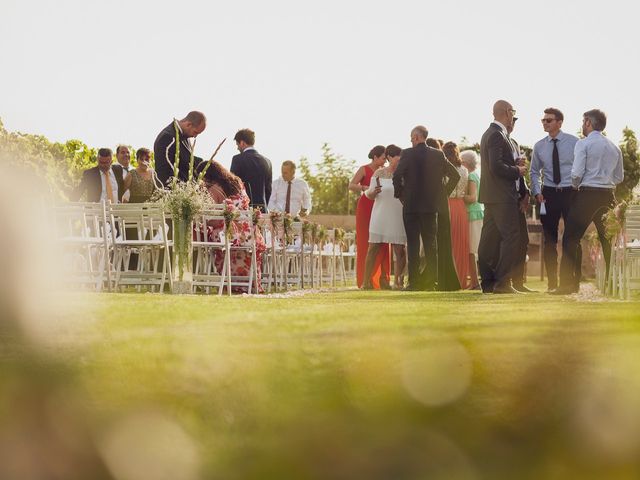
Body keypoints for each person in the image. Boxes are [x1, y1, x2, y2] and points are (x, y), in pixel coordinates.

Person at [554, 109, 624, 295]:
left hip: (586, 195)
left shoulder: (583, 144)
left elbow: (576, 174)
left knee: (570, 239)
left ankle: (568, 285)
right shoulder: (614, 147)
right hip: (608, 196)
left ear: (587, 123)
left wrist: (578, 185)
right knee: (608, 241)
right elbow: (619, 177)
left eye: (582, 121)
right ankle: (613, 285)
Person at [393, 126, 460, 291]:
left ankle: (414, 283)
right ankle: (432, 283)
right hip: (431, 207)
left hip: (411, 206)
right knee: (431, 246)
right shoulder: (438, 154)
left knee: (413, 245)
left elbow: (397, 175)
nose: (410, 140)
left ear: (416, 137)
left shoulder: (407, 153)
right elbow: (455, 175)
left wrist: (400, 195)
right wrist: (441, 195)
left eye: (411, 137)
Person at [477, 100, 528, 294]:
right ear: (507, 112)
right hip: (502, 195)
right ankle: (503, 282)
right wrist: (518, 170)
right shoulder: (497, 135)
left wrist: (513, 162)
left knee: (488, 240)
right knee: (511, 237)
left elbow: (496, 163)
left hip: (491, 195)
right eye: (512, 112)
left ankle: (488, 282)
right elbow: (496, 166)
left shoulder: (490, 134)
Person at [196, 161, 267, 292]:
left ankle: (229, 282)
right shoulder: (237, 182)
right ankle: (250, 283)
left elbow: (213, 219)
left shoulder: (213, 190)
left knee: (212, 235)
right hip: (248, 232)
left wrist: (201, 222)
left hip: (228, 234)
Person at [530, 107, 580, 292]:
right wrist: (537, 192)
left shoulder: (575, 143)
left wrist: (578, 189)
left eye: (549, 120)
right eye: (543, 120)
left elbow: (582, 168)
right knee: (549, 241)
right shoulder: (539, 146)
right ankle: (552, 284)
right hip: (548, 195)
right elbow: (534, 171)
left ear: (559, 122)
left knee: (573, 238)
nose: (545, 123)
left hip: (570, 193)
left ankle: (573, 283)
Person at [363, 144, 407, 290]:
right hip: (380, 215)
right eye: (397, 158)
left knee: (399, 250)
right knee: (373, 248)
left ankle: (399, 282)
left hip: (397, 215)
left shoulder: (404, 174)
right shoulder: (378, 173)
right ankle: (366, 281)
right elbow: (368, 195)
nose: (400, 160)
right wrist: (373, 192)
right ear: (389, 157)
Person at [349, 145, 391, 289]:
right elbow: (351, 185)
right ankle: (365, 279)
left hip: (381, 206)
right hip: (366, 206)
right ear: (375, 157)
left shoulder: (385, 172)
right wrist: (365, 188)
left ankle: (383, 278)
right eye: (383, 158)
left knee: (384, 242)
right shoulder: (364, 169)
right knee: (365, 243)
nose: (385, 161)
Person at [507, 120, 535, 293]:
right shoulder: (499, 141)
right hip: (505, 198)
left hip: (518, 198)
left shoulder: (515, 143)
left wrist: (526, 193)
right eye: (511, 121)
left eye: (514, 122)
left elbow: (520, 173)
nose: (512, 124)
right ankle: (505, 280)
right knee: (508, 240)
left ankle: (518, 281)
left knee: (523, 240)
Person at [428, 138, 460, 291]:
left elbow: (456, 176)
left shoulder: (438, 160)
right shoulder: (441, 160)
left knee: (439, 243)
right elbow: (455, 176)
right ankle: (443, 281)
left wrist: (444, 193)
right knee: (442, 244)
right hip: (441, 204)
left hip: (437, 205)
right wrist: (444, 193)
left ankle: (438, 281)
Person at [443, 141, 470, 289]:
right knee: (460, 243)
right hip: (461, 206)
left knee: (449, 243)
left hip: (447, 204)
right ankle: (461, 279)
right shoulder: (464, 170)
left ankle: (449, 279)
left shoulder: (444, 169)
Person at [154, 111, 206, 186]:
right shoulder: (167, 137)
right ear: (188, 124)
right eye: (195, 132)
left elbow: (186, 161)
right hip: (170, 194)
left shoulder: (184, 135)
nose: (195, 136)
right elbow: (163, 175)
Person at [230, 128, 273, 212]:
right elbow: (268, 189)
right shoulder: (267, 162)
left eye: (237, 145)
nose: (237, 148)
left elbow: (233, 185)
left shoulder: (237, 159)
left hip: (243, 210)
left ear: (242, 143)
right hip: (262, 210)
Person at [461, 150, 483, 290]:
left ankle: (475, 282)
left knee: (471, 251)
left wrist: (459, 196)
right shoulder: (478, 174)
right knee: (474, 250)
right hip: (478, 213)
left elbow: (473, 197)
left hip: (472, 214)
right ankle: (475, 282)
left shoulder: (471, 176)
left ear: (464, 163)